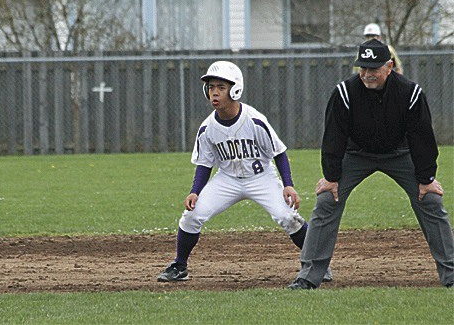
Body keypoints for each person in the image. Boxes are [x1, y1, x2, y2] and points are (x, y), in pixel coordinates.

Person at [288, 39, 454, 289]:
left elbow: (422, 137)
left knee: (430, 200)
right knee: (326, 200)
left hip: (400, 153)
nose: (367, 74)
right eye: (363, 68)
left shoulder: (410, 92)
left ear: (389, 66)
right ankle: (309, 276)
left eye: (373, 68)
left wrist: (426, 179)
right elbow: (334, 136)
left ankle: (451, 274)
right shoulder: (344, 92)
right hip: (356, 154)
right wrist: (331, 177)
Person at [157, 61, 332, 283]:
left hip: (261, 178)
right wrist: (194, 191)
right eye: (211, 87)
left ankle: (318, 265)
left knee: (288, 217)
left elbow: (279, 152)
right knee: (191, 216)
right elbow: (204, 164)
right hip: (227, 180)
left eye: (221, 87)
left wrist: (288, 184)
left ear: (235, 89)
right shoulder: (207, 128)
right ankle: (179, 266)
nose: (214, 92)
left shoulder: (254, 120)